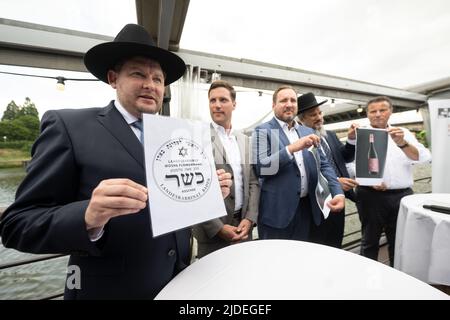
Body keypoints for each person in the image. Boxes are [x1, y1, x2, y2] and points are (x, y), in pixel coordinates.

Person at [0, 24, 232, 299]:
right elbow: (17, 224)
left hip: (178, 283)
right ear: (113, 78)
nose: (150, 84)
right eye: (138, 74)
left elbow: (177, 206)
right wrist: (88, 216)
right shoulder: (69, 126)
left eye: (158, 79)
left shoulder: (178, 135)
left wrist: (206, 193)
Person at [252, 85, 345, 241]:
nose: (289, 104)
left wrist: (338, 192)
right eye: (283, 100)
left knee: (301, 259)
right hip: (278, 213)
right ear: (273, 105)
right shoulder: (264, 130)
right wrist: (292, 148)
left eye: (293, 100)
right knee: (274, 260)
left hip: (307, 209)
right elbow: (262, 168)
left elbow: (324, 165)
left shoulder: (307, 132)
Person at [355, 96, 431, 266]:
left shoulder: (402, 133)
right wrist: (367, 181)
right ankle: (366, 277)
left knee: (399, 240)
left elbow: (424, 158)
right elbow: (351, 166)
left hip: (401, 196)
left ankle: (397, 276)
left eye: (382, 110)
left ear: (390, 112)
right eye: (373, 111)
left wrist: (402, 143)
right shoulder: (361, 134)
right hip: (370, 195)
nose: (378, 114)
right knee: (369, 241)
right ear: (367, 114)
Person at [193, 80, 260, 258]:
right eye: (212, 100)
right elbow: (192, 191)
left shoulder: (244, 139)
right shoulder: (196, 138)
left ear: (234, 104)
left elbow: (253, 182)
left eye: (223, 100)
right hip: (212, 233)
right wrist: (218, 227)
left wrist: (250, 218)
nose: (216, 105)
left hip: (243, 227)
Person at [297, 92, 359, 248]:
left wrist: (351, 139)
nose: (319, 117)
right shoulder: (298, 141)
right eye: (313, 115)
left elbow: (345, 157)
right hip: (317, 204)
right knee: (319, 246)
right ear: (301, 119)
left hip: (339, 199)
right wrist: (335, 182)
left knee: (336, 241)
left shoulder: (329, 134)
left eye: (319, 113)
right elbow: (304, 173)